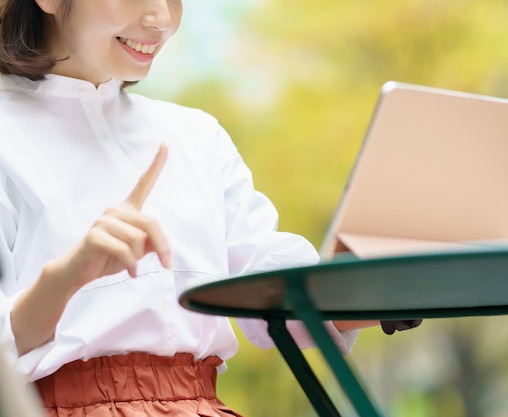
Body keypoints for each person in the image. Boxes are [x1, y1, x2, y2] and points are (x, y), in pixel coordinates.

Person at [0, 0, 368, 415]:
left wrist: (377, 283)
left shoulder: (196, 136)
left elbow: (280, 299)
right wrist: (64, 280)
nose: (161, 19)